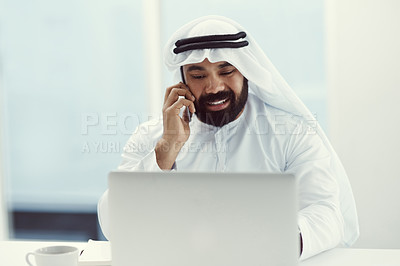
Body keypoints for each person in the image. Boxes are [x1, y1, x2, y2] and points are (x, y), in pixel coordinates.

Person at [98, 15, 359, 260]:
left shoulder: (292, 133)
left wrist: (272, 243)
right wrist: (166, 150)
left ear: (246, 71)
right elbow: (113, 223)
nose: (214, 87)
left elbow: (327, 215)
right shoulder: (153, 136)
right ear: (182, 81)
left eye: (227, 71)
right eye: (198, 75)